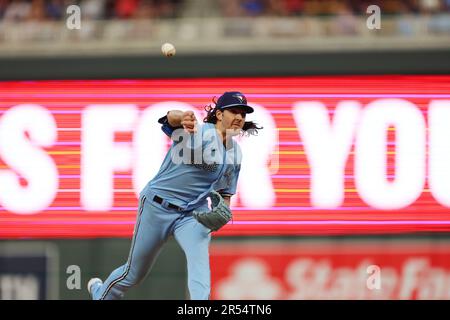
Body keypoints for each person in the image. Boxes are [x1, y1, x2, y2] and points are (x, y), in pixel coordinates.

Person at [87, 91, 262, 300]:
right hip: (157, 206)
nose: (239, 117)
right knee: (133, 273)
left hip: (192, 213)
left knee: (200, 271)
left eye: (243, 113)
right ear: (219, 114)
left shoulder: (235, 152)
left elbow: (225, 192)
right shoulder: (198, 132)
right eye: (234, 111)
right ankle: (101, 294)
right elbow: (170, 119)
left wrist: (223, 212)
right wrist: (182, 117)